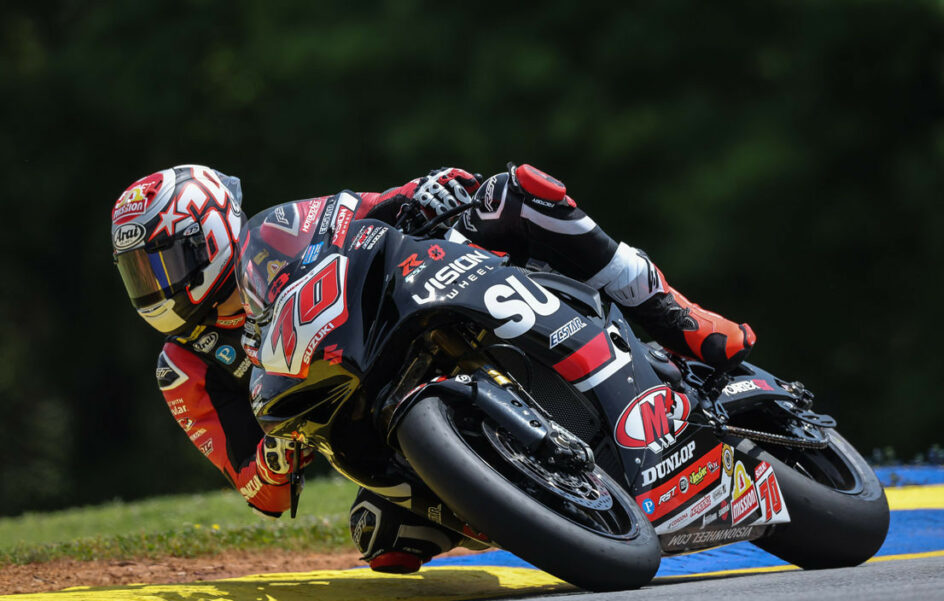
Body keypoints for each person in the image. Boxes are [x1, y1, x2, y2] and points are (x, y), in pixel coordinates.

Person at [111, 162, 755, 573]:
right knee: (385, 538)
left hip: (417, 312)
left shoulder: (278, 232)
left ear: (215, 230)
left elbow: (378, 204)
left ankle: (676, 315)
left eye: (167, 260)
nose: (156, 284)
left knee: (515, 195)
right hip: (361, 423)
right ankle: (515, 495)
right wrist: (277, 459)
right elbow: (259, 490)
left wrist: (430, 191)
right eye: (141, 272)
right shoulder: (182, 369)